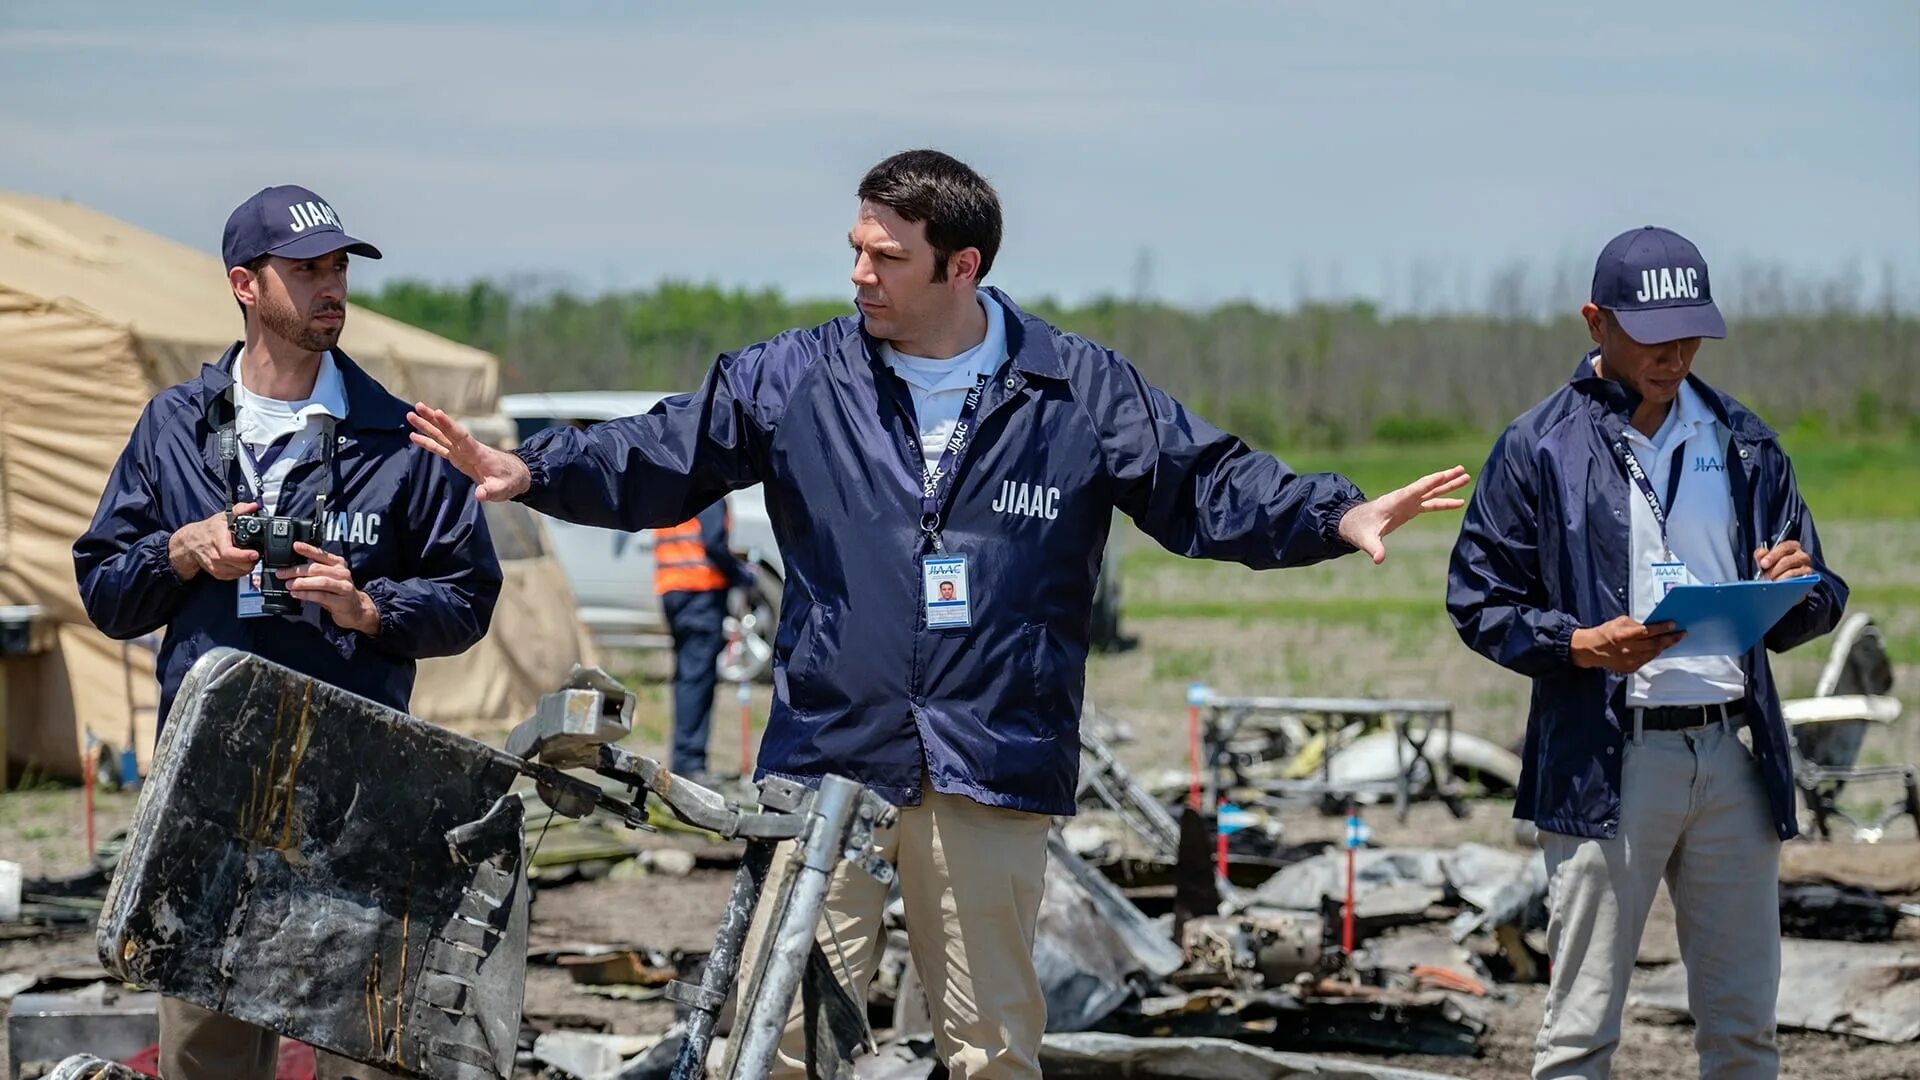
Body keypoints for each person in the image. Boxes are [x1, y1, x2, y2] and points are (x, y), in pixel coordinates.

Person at [408, 149, 1469, 1078]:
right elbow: (661, 451)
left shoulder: (1079, 391)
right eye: (856, 249)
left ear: (963, 267)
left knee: (992, 1045)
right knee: (777, 1041)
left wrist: (1331, 512)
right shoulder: (797, 377)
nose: (860, 273)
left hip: (992, 757)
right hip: (828, 756)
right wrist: (530, 467)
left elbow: (1208, 486)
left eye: (887, 256)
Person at [73, 184, 503, 1080]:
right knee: (208, 1057)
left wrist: (372, 609)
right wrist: (179, 553)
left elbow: (468, 596)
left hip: (355, 795)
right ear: (245, 284)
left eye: (339, 267)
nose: (331, 286)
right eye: (306, 269)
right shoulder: (174, 429)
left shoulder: (398, 439)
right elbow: (108, 595)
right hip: (211, 794)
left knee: (361, 1051)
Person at [1447, 226, 1847, 1080]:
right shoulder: (1537, 448)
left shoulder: (1745, 441)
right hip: (1607, 760)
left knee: (1745, 1033)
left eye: (1691, 330)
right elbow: (1477, 602)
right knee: (1581, 1034)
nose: (1676, 352)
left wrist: (1800, 583)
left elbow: (1815, 597)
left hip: (1734, 757)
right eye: (1653, 332)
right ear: (1596, 322)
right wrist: (1580, 645)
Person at [653, 498, 749, 780]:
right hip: (700, 591)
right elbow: (715, 543)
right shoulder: (708, 489)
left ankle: (686, 758)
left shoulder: (672, 484)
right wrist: (741, 575)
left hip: (672, 590)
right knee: (697, 678)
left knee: (687, 677)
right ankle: (690, 762)